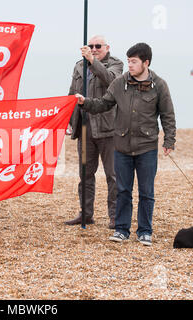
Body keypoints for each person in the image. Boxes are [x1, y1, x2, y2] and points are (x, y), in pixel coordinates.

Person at [76, 43, 176, 246]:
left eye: (134, 62)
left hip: (147, 147)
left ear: (145, 63)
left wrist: (169, 140)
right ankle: (122, 230)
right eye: (128, 61)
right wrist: (84, 102)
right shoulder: (119, 83)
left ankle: (145, 231)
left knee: (146, 192)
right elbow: (104, 104)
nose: (129, 65)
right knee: (123, 190)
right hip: (121, 145)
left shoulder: (159, 85)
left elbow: (168, 115)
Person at [65, 35, 123, 229]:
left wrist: (92, 60)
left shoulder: (116, 64)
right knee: (85, 174)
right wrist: (67, 119)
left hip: (109, 129)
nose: (94, 48)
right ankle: (85, 214)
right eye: (91, 46)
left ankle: (115, 216)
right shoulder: (78, 66)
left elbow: (112, 82)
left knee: (113, 175)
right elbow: (72, 93)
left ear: (107, 47)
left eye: (98, 46)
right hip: (84, 128)